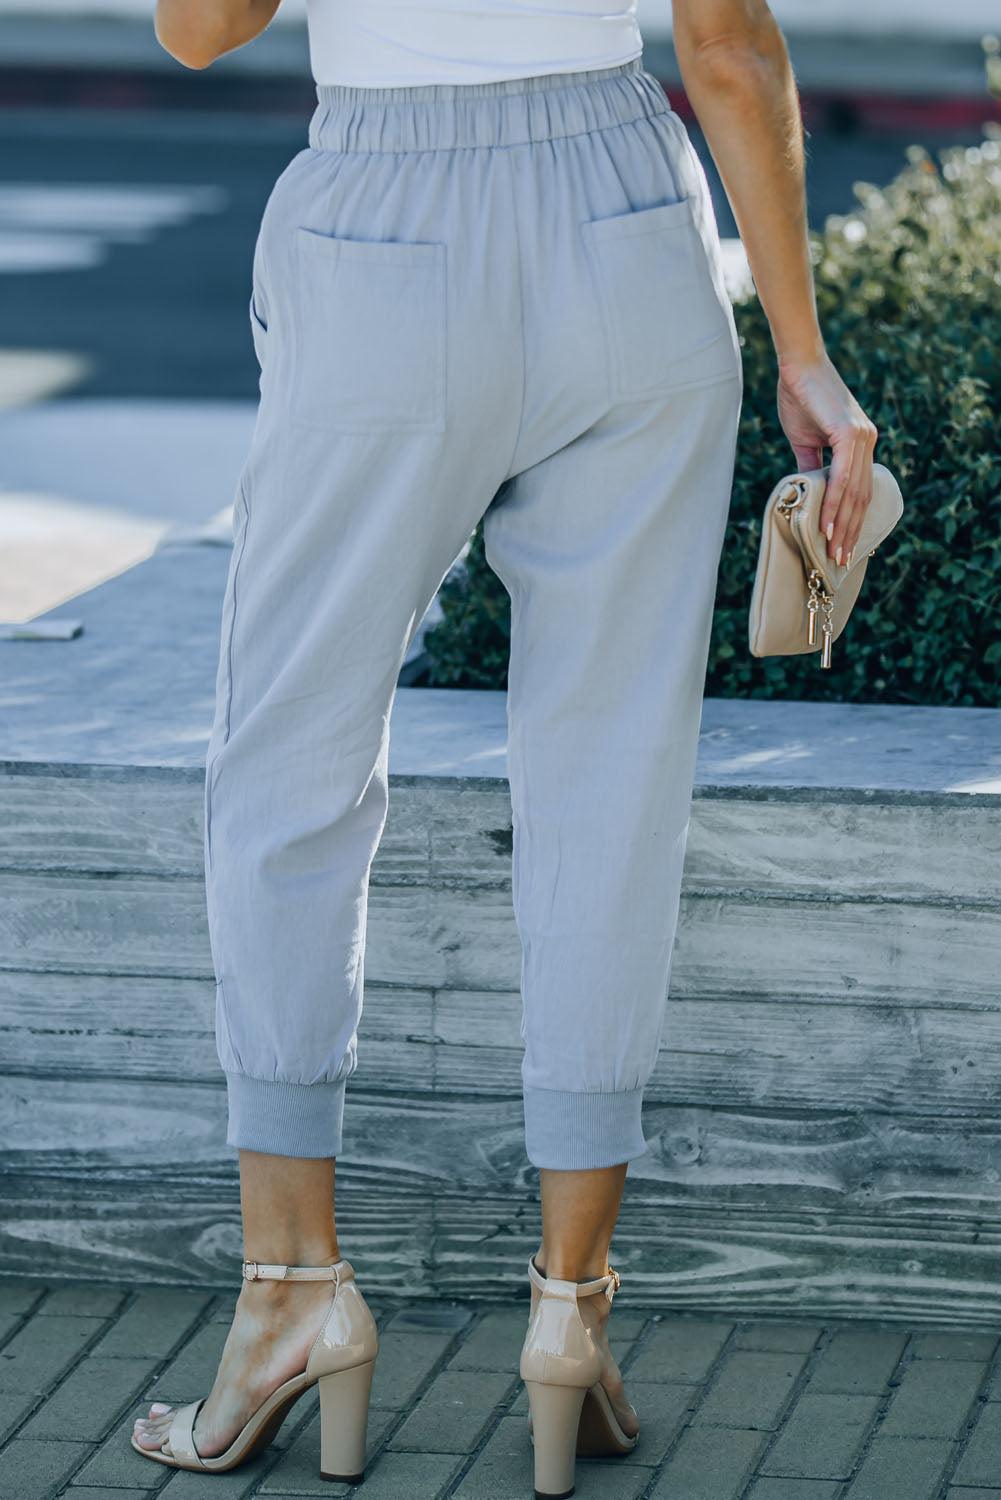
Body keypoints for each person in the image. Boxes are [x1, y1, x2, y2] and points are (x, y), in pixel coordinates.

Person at [132, 0, 878, 1491]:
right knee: (612, 781)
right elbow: (725, 42)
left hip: (382, 238)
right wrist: (802, 350)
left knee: (288, 769)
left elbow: (199, 29)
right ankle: (566, 1314)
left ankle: (291, 1300)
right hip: (625, 214)